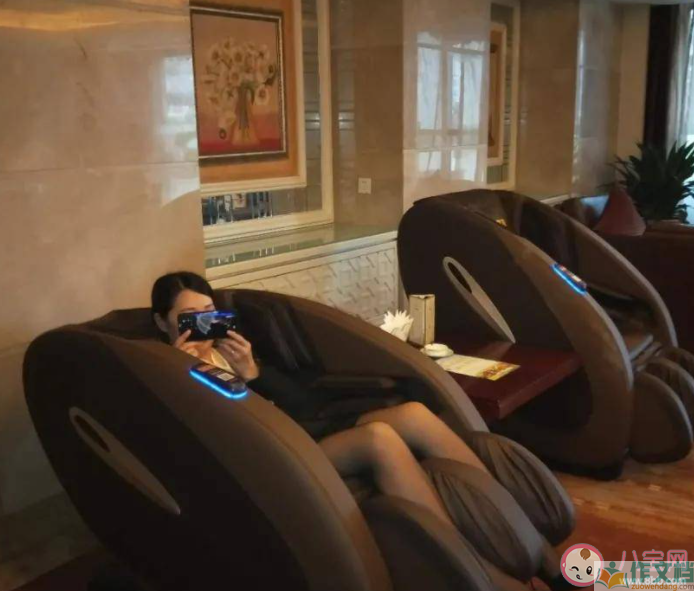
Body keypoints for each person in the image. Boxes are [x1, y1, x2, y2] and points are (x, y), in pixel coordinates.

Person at [151, 271, 489, 527]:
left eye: (209, 311)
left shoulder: (231, 350)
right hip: (272, 453)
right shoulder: (166, 374)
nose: (205, 323)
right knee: (378, 438)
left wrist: (253, 372)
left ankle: (499, 514)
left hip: (303, 429)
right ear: (162, 323)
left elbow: (301, 403)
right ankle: (458, 555)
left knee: (413, 413)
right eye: (190, 316)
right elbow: (213, 439)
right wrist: (183, 375)